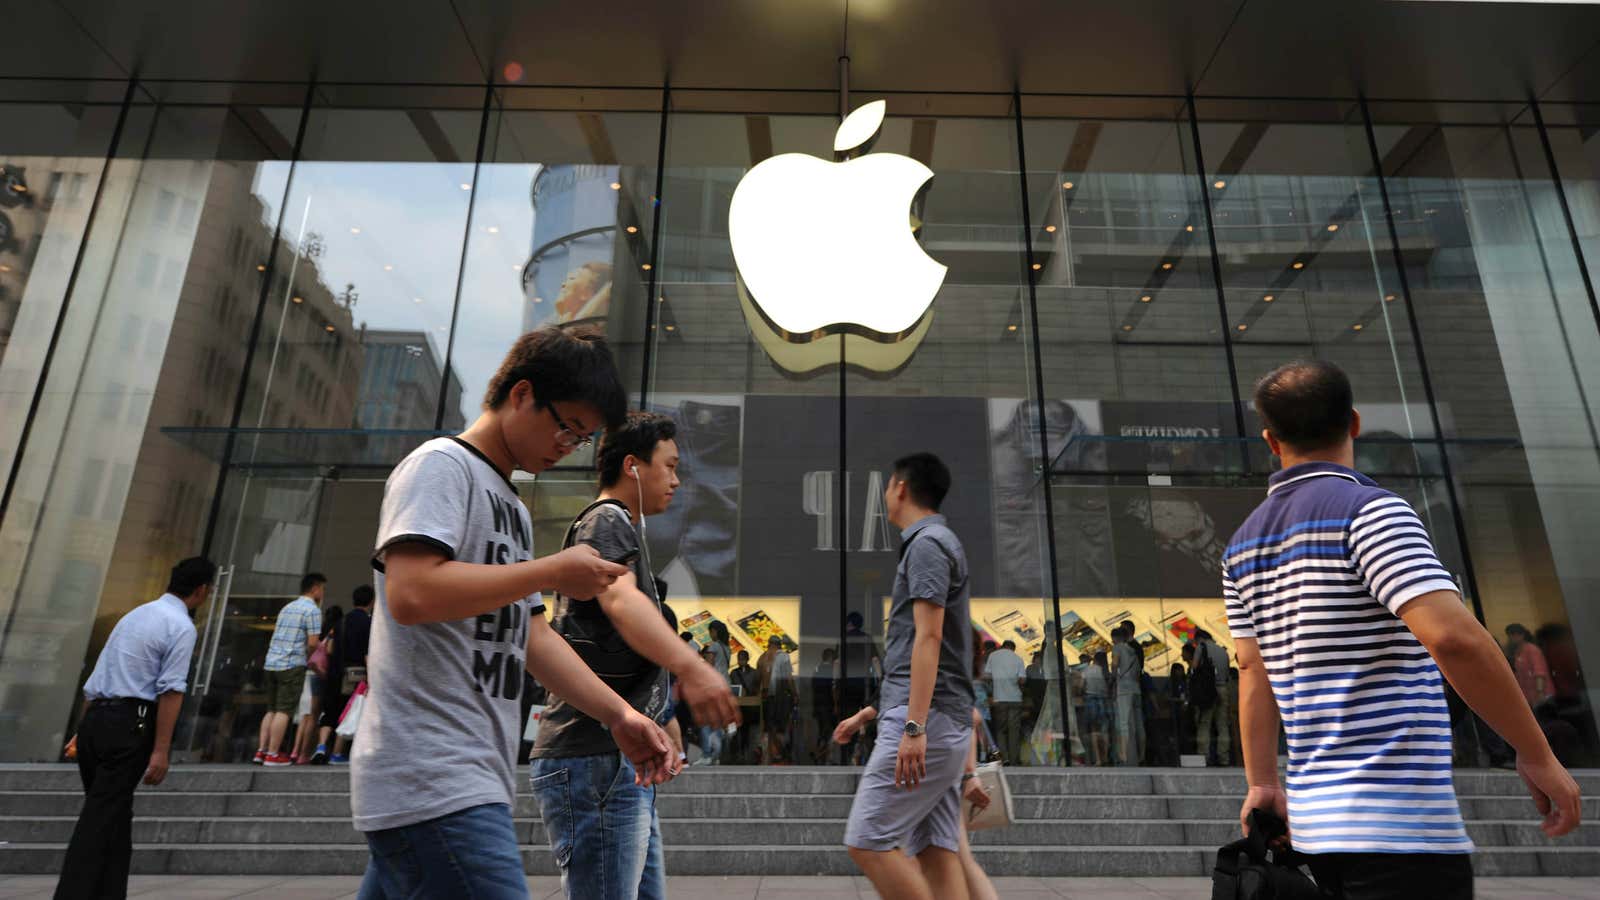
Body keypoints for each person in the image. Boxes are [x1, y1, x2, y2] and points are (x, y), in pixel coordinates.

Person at [1227, 361, 1581, 899]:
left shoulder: (1243, 546)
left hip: (1316, 832)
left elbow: (1253, 670)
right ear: (1354, 424)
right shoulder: (1371, 513)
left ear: (1271, 441)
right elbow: (1453, 638)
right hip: (1400, 823)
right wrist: (1535, 751)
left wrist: (1262, 783)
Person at [352, 326, 672, 900]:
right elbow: (411, 593)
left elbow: (531, 636)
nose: (567, 445)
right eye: (567, 427)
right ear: (522, 394)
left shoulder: (511, 505)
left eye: (581, 437)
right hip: (434, 773)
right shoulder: (441, 467)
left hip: (469, 773)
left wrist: (619, 716)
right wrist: (551, 570)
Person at [530, 410, 739, 900]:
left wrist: (662, 714)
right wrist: (692, 667)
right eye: (668, 466)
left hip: (616, 757)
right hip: (593, 757)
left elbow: (615, 637)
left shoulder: (620, 528)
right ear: (632, 466)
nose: (676, 479)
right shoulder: (607, 521)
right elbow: (621, 603)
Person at [843, 452, 975, 899]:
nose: (885, 496)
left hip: (928, 720)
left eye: (886, 486)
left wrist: (913, 727)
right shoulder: (938, 541)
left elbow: (930, 639)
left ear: (900, 487)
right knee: (937, 849)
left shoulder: (927, 545)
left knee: (867, 840)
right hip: (938, 716)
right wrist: (871, 713)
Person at [54, 557, 214, 900]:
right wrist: (161, 749)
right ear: (202, 590)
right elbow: (171, 690)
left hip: (97, 720)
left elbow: (98, 676)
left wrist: (83, 729)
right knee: (100, 821)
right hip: (131, 724)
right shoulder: (181, 627)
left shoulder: (135, 615)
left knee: (114, 816)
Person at [254, 573, 324, 767]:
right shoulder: (312, 610)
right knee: (284, 711)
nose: (322, 593)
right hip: (292, 663)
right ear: (315, 588)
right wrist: (308, 657)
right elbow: (312, 643)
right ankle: (273, 754)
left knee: (271, 709)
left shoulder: (287, 607)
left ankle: (261, 750)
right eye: (322, 589)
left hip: (272, 663)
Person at [316, 585, 372, 764]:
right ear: (371, 601)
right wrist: (371, 677)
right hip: (355, 674)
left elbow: (330, 648)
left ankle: (321, 746)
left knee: (330, 712)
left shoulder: (341, 621)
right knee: (348, 711)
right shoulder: (368, 623)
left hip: (335, 672)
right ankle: (337, 753)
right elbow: (367, 653)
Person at [294, 604, 342, 765]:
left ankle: (301, 753)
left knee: (312, 716)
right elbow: (329, 651)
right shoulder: (334, 631)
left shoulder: (320, 631)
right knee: (328, 714)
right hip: (326, 674)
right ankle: (314, 750)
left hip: (315, 675)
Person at [1191, 628, 1230, 766]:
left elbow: (1194, 667)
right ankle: (1223, 757)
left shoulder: (1201, 648)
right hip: (1223, 688)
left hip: (1208, 690)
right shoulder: (1223, 651)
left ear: (1199, 639)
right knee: (1222, 725)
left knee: (1204, 723)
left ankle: (1204, 756)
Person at [981, 639, 1024, 763]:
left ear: (1003, 646)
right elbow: (1022, 680)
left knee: (1000, 730)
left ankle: (1004, 759)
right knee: (1014, 731)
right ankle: (1014, 759)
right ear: (1013, 648)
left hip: (999, 698)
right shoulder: (1018, 658)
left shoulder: (993, 656)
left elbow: (987, 676)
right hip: (1015, 699)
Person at [757, 635, 795, 763]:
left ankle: (768, 754)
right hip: (779, 695)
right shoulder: (783, 656)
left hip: (764, 696)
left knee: (768, 726)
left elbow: (758, 679)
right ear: (779, 645)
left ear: (768, 644)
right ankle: (778, 753)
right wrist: (795, 694)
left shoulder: (761, 658)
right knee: (780, 725)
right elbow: (789, 678)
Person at [1111, 622, 1144, 766]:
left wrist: (1113, 678)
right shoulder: (1133, 651)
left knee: (1124, 723)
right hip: (1136, 689)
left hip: (1124, 688)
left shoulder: (1117, 648)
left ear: (1116, 638)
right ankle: (1140, 755)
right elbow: (1137, 673)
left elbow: (1114, 665)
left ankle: (1124, 755)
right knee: (1138, 724)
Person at [1505, 623, 1553, 711]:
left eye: (1513, 635)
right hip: (1530, 697)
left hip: (1542, 695)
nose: (1511, 638)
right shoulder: (1517, 652)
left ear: (1521, 635)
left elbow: (1539, 673)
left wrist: (1540, 693)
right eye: (1509, 635)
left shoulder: (1531, 650)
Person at [1083, 651, 1111, 766]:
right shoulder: (1105, 671)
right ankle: (1105, 757)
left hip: (1090, 700)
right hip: (1104, 701)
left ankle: (1098, 759)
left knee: (1094, 731)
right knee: (1104, 731)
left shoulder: (1088, 669)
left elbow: (1082, 684)